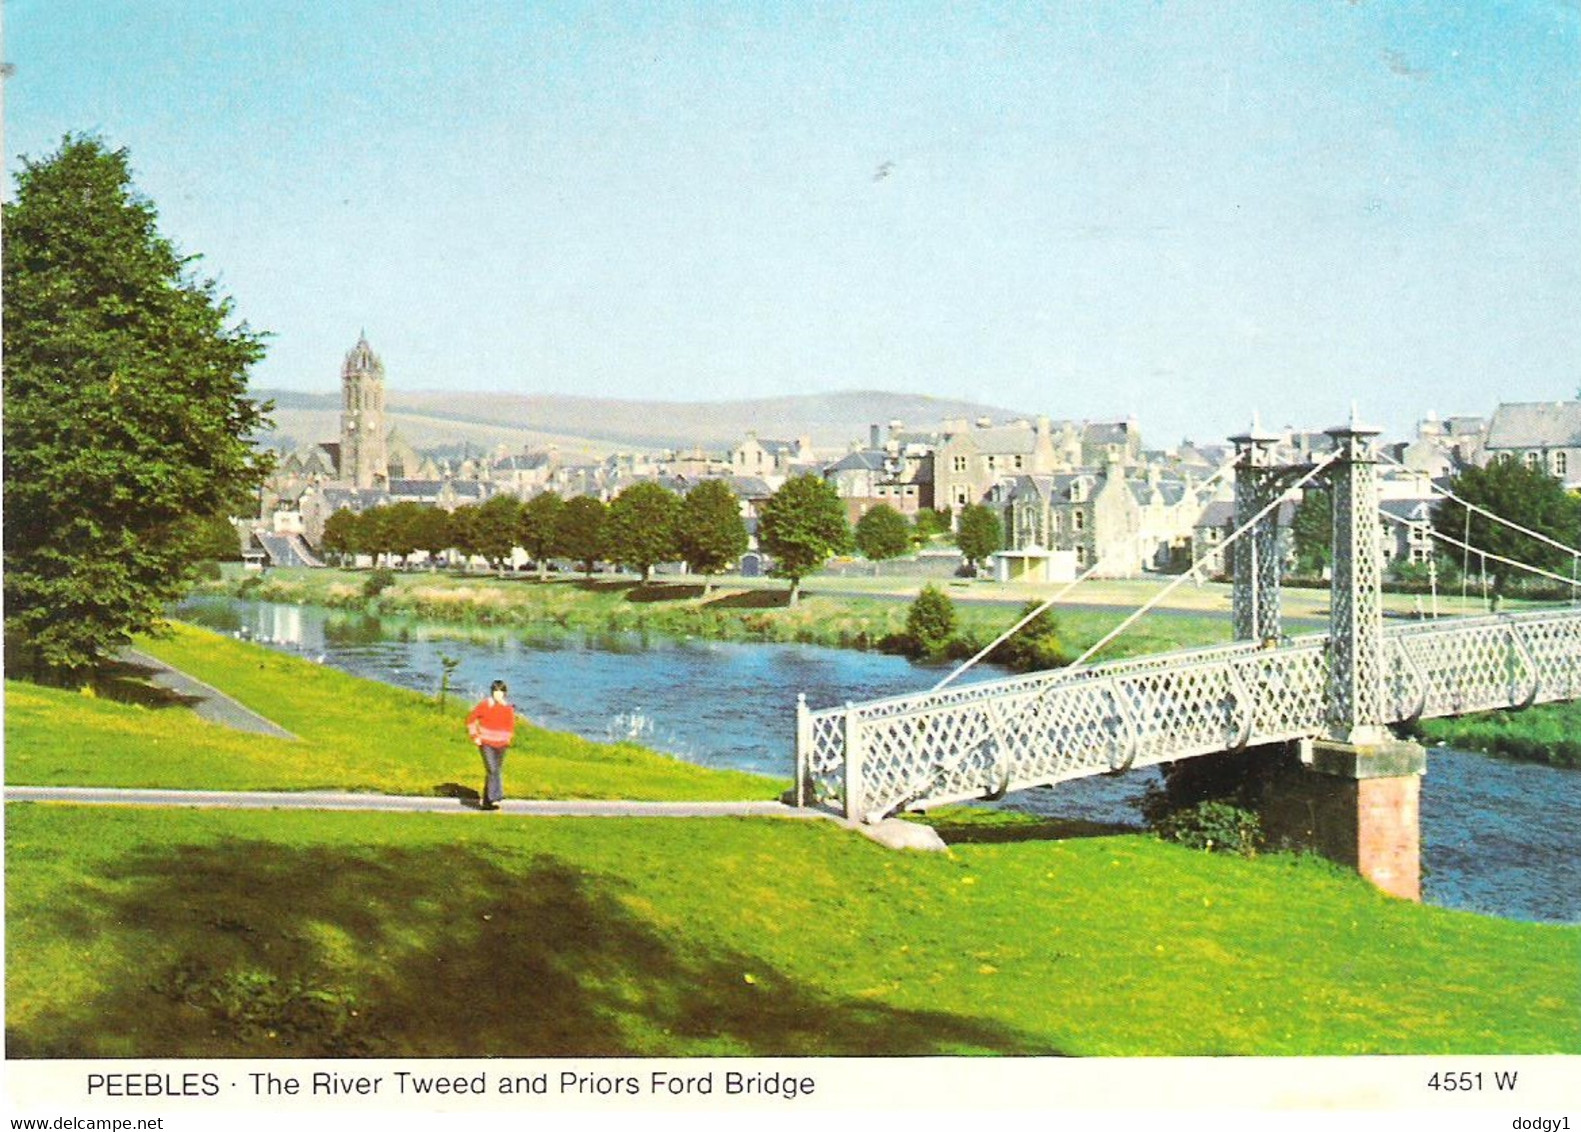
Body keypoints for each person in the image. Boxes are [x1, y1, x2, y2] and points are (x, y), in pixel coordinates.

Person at [465, 679, 516, 810]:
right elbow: (471, 719)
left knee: (494, 772)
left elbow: (510, 725)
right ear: (492, 692)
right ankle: (496, 796)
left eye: (500, 692)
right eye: (495, 692)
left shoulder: (508, 708)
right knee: (492, 769)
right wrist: (475, 736)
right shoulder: (485, 705)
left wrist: (508, 739)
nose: (498, 695)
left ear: (505, 693)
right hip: (486, 742)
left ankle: (487, 802)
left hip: (502, 744)